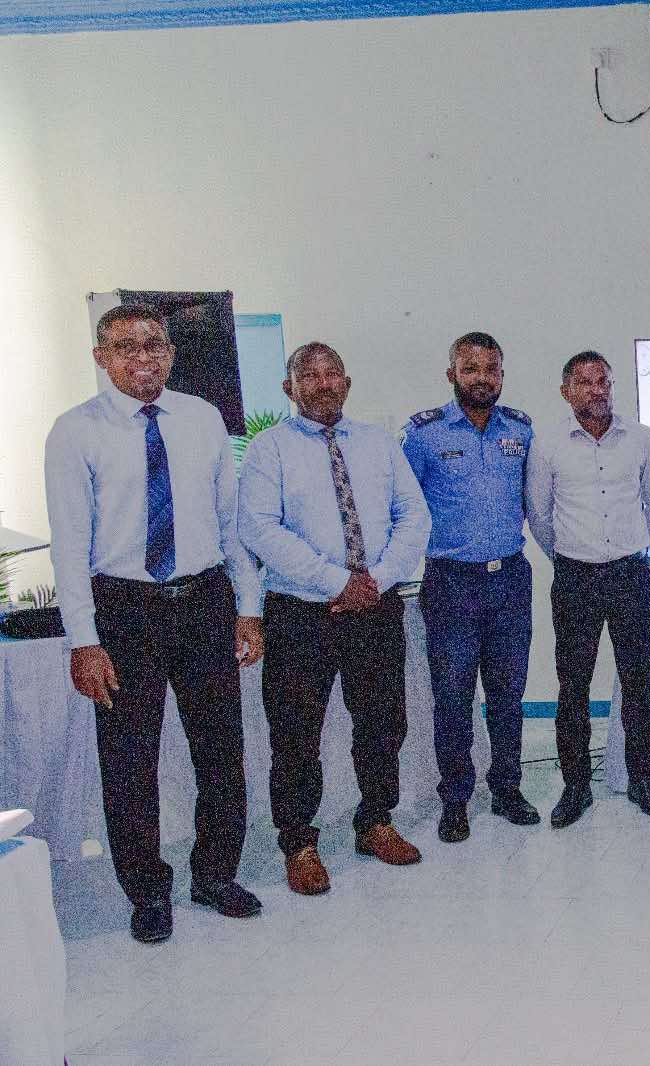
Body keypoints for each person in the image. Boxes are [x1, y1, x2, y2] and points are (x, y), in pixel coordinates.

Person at [45, 304, 263, 943]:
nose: (143, 357)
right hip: (124, 611)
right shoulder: (75, 431)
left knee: (221, 751)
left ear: (170, 353)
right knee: (129, 763)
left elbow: (230, 522)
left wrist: (247, 607)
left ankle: (215, 875)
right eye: (126, 346)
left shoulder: (202, 418)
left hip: (204, 601)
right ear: (101, 357)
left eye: (154, 345)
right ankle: (147, 893)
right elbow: (69, 547)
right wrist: (84, 641)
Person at [239, 341, 431, 894]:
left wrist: (378, 579)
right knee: (296, 733)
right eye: (310, 375)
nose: (323, 384)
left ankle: (375, 821)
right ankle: (299, 843)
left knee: (383, 722)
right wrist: (336, 580)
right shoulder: (269, 449)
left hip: (375, 607)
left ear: (347, 382)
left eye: (332, 374)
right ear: (289, 388)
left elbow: (413, 515)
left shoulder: (378, 443)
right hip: (301, 613)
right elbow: (260, 528)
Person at [402, 332, 539, 843]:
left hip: (510, 581)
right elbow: (402, 505)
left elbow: (535, 500)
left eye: (491, 369)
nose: (482, 378)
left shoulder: (521, 430)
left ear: (502, 374)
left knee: (508, 695)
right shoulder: (424, 434)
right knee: (453, 697)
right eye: (471, 368)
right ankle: (456, 798)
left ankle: (507, 789)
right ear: (451, 374)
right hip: (451, 583)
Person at [526, 351, 650, 827]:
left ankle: (643, 782)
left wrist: (633, 547)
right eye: (585, 382)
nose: (597, 390)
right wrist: (570, 554)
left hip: (630, 576)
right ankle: (576, 787)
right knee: (573, 687)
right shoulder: (547, 444)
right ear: (566, 391)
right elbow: (540, 515)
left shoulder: (641, 439)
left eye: (603, 381)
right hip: (575, 579)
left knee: (638, 684)